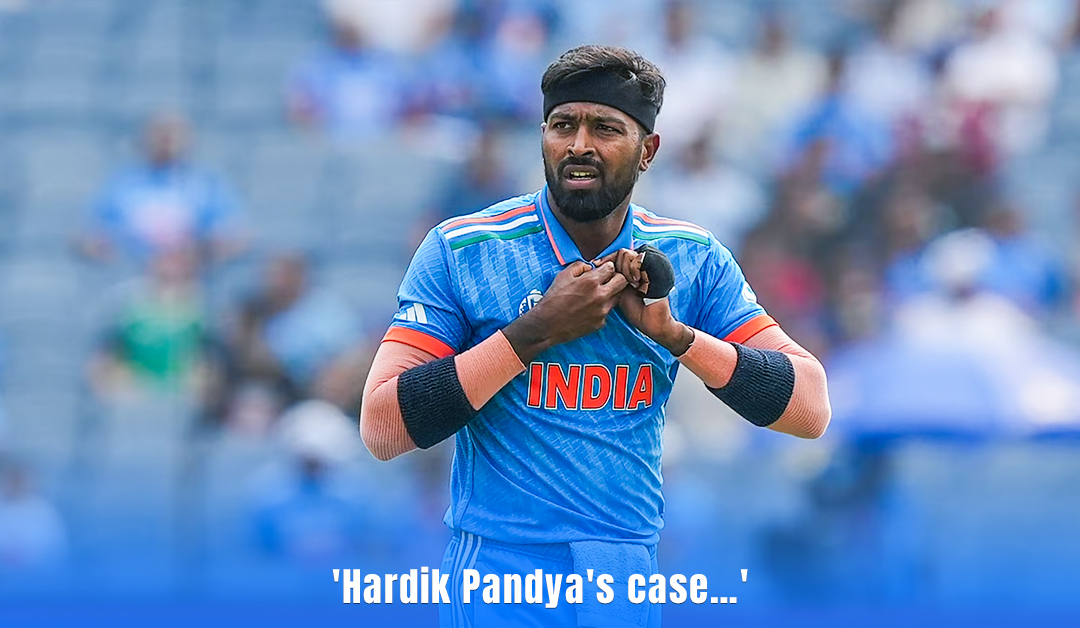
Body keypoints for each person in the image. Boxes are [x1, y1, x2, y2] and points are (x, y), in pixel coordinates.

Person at [359, 45, 832, 628]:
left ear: (648, 151)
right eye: (563, 125)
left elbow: (810, 407)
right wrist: (533, 332)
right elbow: (382, 425)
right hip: (501, 573)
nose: (579, 144)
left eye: (605, 128)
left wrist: (677, 337)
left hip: (625, 575)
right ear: (543, 137)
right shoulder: (464, 248)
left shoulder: (692, 256)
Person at [76, 112, 246, 266]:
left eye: (174, 132)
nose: (166, 138)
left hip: (195, 276)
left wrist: (203, 254)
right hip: (131, 274)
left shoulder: (207, 183)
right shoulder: (121, 183)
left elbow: (235, 236)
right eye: (159, 132)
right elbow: (89, 234)